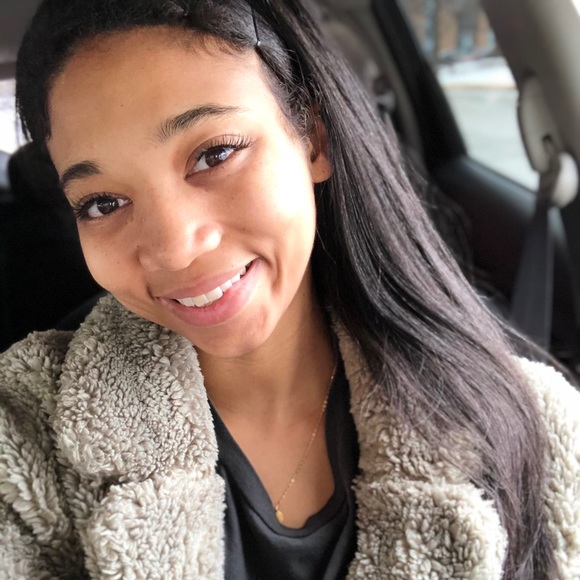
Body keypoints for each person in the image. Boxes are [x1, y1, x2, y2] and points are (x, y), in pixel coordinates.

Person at [1, 0, 578, 578]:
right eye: (102, 203)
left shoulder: (530, 425)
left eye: (214, 154)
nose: (174, 248)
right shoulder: (26, 442)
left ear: (313, 140)